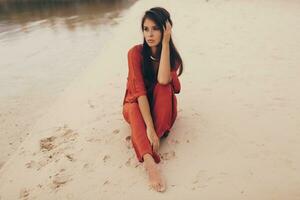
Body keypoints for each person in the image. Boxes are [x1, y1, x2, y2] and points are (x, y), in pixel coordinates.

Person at [122, 7, 183, 192]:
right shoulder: (135, 53)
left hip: (162, 110)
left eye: (155, 28)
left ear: (165, 29)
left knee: (163, 87)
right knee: (133, 107)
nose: (149, 34)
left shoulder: (172, 58)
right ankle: (150, 164)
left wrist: (165, 44)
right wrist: (149, 127)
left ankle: (147, 137)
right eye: (146, 29)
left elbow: (164, 80)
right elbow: (139, 93)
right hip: (137, 106)